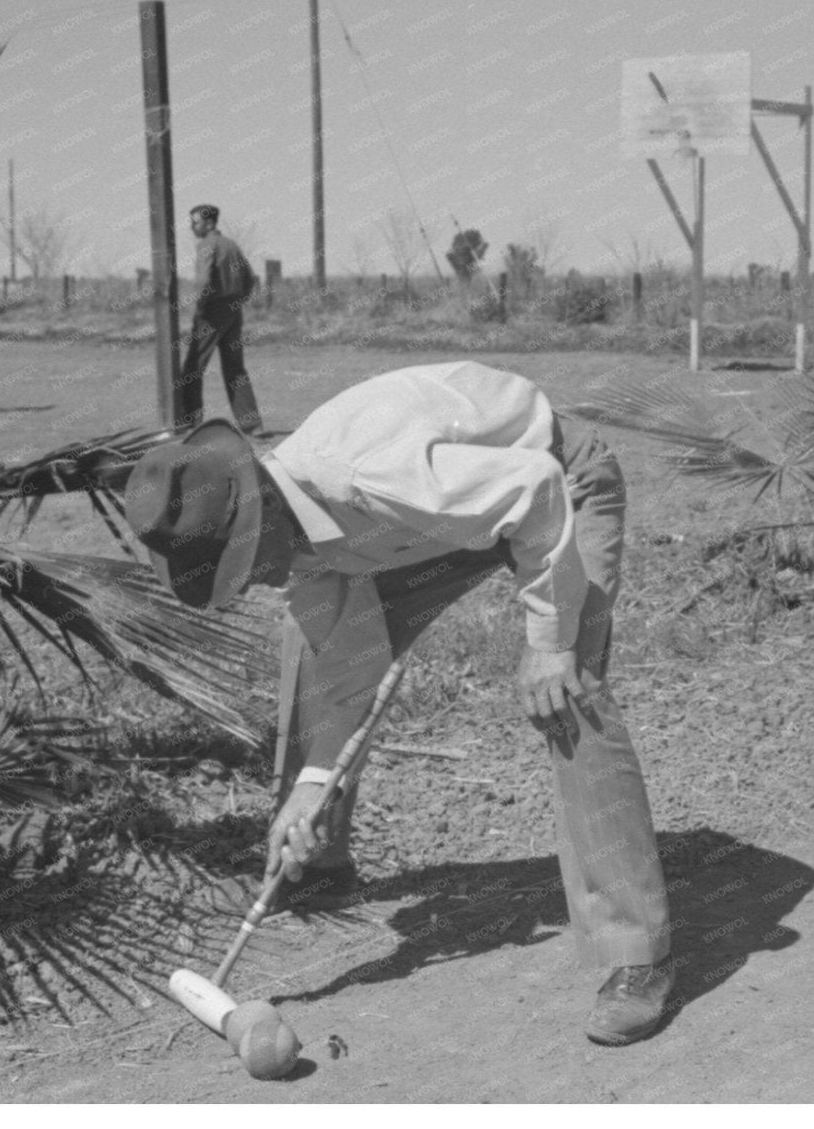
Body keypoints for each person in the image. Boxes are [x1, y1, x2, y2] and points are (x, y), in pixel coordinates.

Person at [125, 361, 676, 1046]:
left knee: (568, 688)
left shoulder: (374, 477)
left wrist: (549, 640)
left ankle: (635, 952)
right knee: (310, 644)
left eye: (247, 561)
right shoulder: (300, 541)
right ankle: (316, 857)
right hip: (438, 522)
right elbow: (352, 667)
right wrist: (312, 784)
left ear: (261, 506)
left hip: (552, 480)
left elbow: (533, 492)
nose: (256, 580)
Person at [175, 203, 262, 434]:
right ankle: (252, 425)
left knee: (193, 366)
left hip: (212, 311)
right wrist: (239, 300)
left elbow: (203, 281)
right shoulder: (231, 245)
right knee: (235, 367)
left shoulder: (207, 245)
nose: (192, 226)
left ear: (210, 223)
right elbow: (250, 278)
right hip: (233, 310)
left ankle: (190, 423)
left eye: (196, 222)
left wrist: (201, 306)